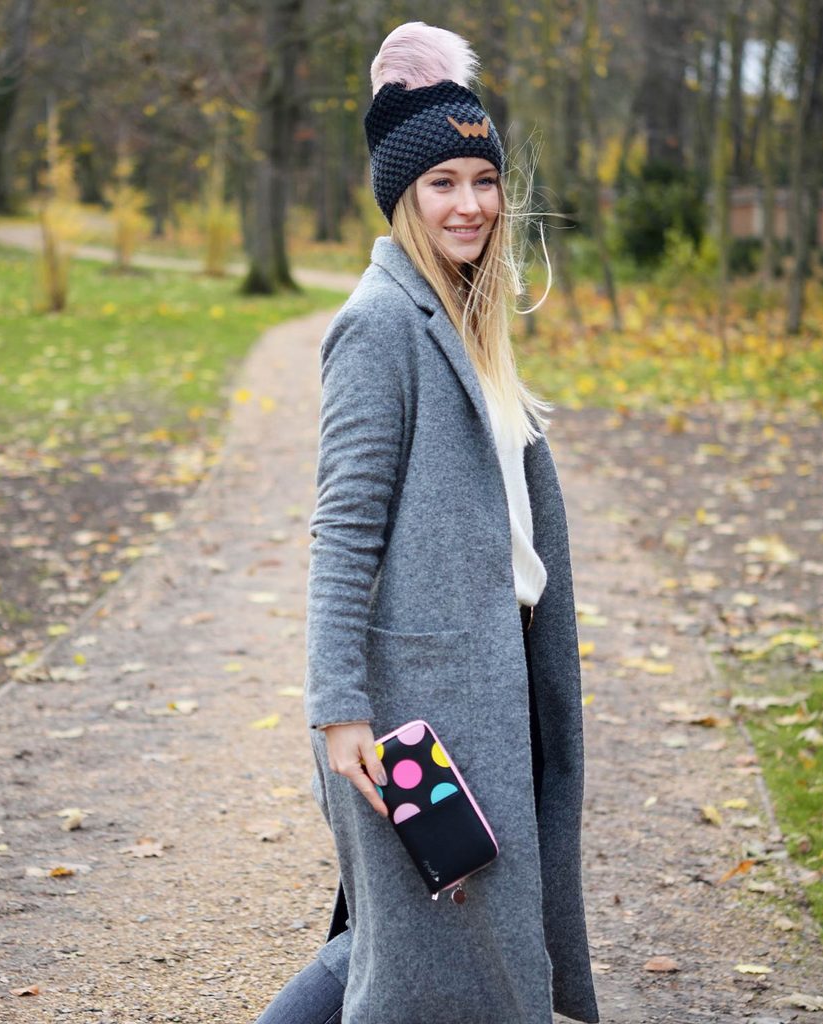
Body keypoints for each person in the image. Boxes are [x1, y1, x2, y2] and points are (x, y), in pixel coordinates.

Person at [256, 21, 600, 1024]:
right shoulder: (378, 324)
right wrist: (339, 711)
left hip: (498, 681)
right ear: (402, 194)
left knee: (420, 942)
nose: (469, 203)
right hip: (423, 711)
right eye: (442, 182)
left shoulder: (465, 317)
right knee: (434, 954)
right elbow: (342, 531)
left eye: (483, 180)